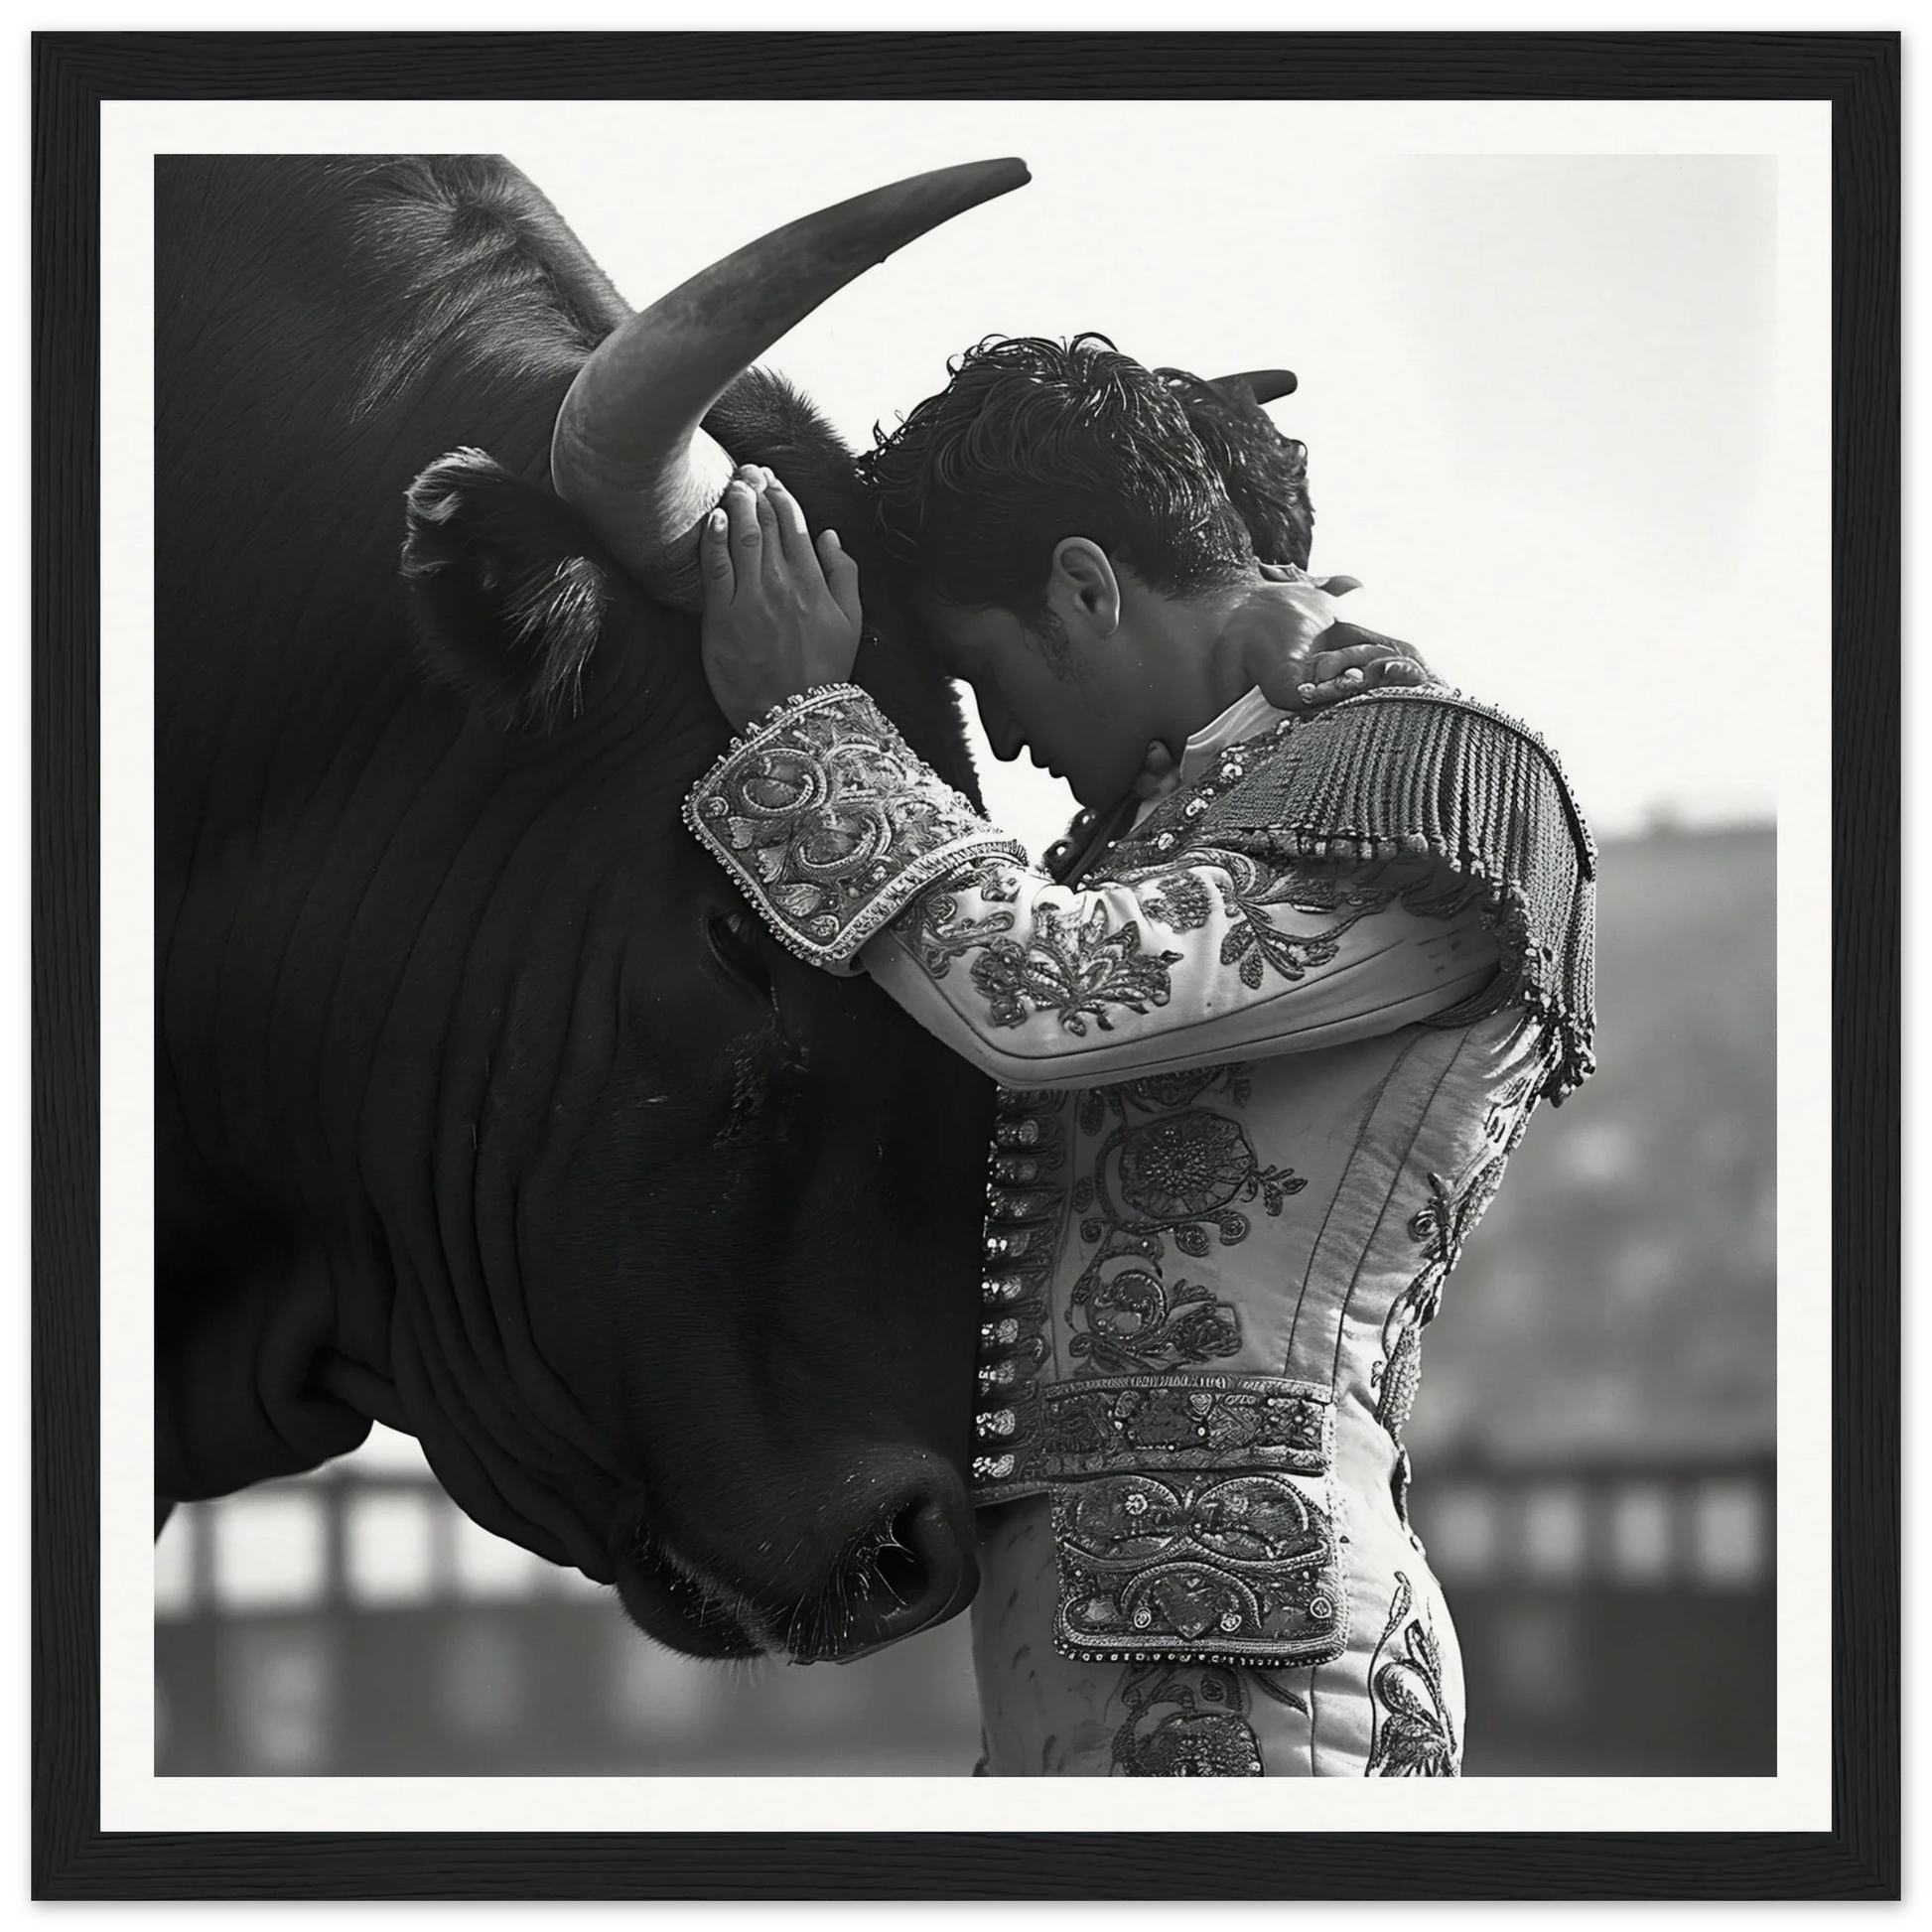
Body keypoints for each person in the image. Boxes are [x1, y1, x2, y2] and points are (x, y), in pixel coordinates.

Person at [684, 335, 1596, 1777]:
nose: (1004, 744)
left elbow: (1041, 993)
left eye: (982, 672)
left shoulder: (1434, 781)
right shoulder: (1177, 820)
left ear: (1085, 585)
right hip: (1096, 1647)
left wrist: (807, 724)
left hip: (1266, 1657)